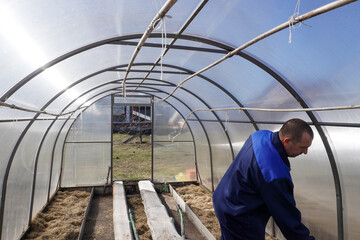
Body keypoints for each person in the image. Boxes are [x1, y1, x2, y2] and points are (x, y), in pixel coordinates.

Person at [212, 118, 315, 240]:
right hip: (238, 213)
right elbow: (286, 216)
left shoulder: (260, 135)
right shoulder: (273, 173)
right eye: (302, 147)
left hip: (224, 198)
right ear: (287, 141)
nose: (305, 152)